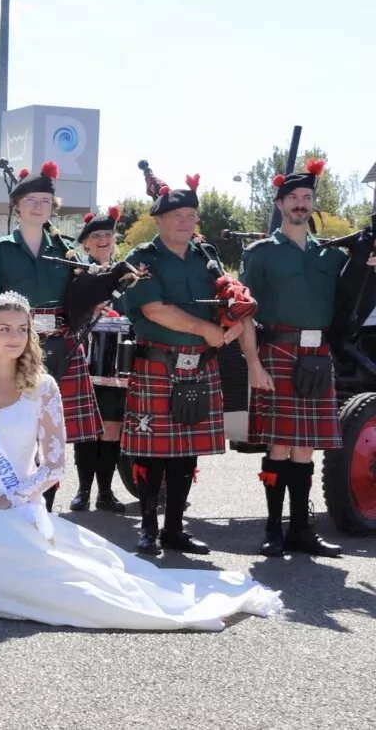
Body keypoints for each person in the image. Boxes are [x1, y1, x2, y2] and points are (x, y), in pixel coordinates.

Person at [0, 291, 283, 631]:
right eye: (4, 329)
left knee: (66, 586)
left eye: (22, 329)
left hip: (13, 508)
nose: (14, 337)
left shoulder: (42, 387)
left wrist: (3, 501)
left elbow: (52, 466)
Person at [119, 165, 255, 555]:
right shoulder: (142, 258)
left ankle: (174, 529)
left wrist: (232, 321)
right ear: (158, 219)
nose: (185, 222)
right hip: (158, 362)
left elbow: (229, 295)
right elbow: (156, 310)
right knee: (151, 452)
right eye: (176, 216)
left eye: (191, 216)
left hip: (200, 365)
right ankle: (147, 528)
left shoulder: (206, 256)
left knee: (185, 452)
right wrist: (209, 331)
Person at [240, 159, 358, 558]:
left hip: (318, 354)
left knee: (305, 448)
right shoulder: (261, 254)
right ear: (279, 203)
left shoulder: (331, 256)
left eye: (307, 197)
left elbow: (352, 296)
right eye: (293, 198)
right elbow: (243, 312)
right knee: (279, 445)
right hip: (277, 349)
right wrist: (253, 363)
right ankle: (273, 529)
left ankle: (302, 530)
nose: (300, 204)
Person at [0, 161, 103, 513]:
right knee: (20, 433)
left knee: (53, 435)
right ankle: (12, 504)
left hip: (62, 345)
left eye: (45, 200)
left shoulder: (66, 251)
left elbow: (83, 294)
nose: (37, 206)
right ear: (17, 205)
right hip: (15, 347)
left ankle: (42, 510)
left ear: (53, 206)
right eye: (31, 199)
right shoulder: (0, 251)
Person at [67, 206, 129, 513]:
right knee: (87, 427)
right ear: (86, 243)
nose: (103, 240)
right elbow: (69, 313)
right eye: (97, 235)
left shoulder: (128, 274)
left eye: (108, 234)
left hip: (119, 364)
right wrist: (90, 312)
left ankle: (105, 492)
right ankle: (82, 491)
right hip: (86, 359)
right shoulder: (78, 273)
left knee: (113, 428)